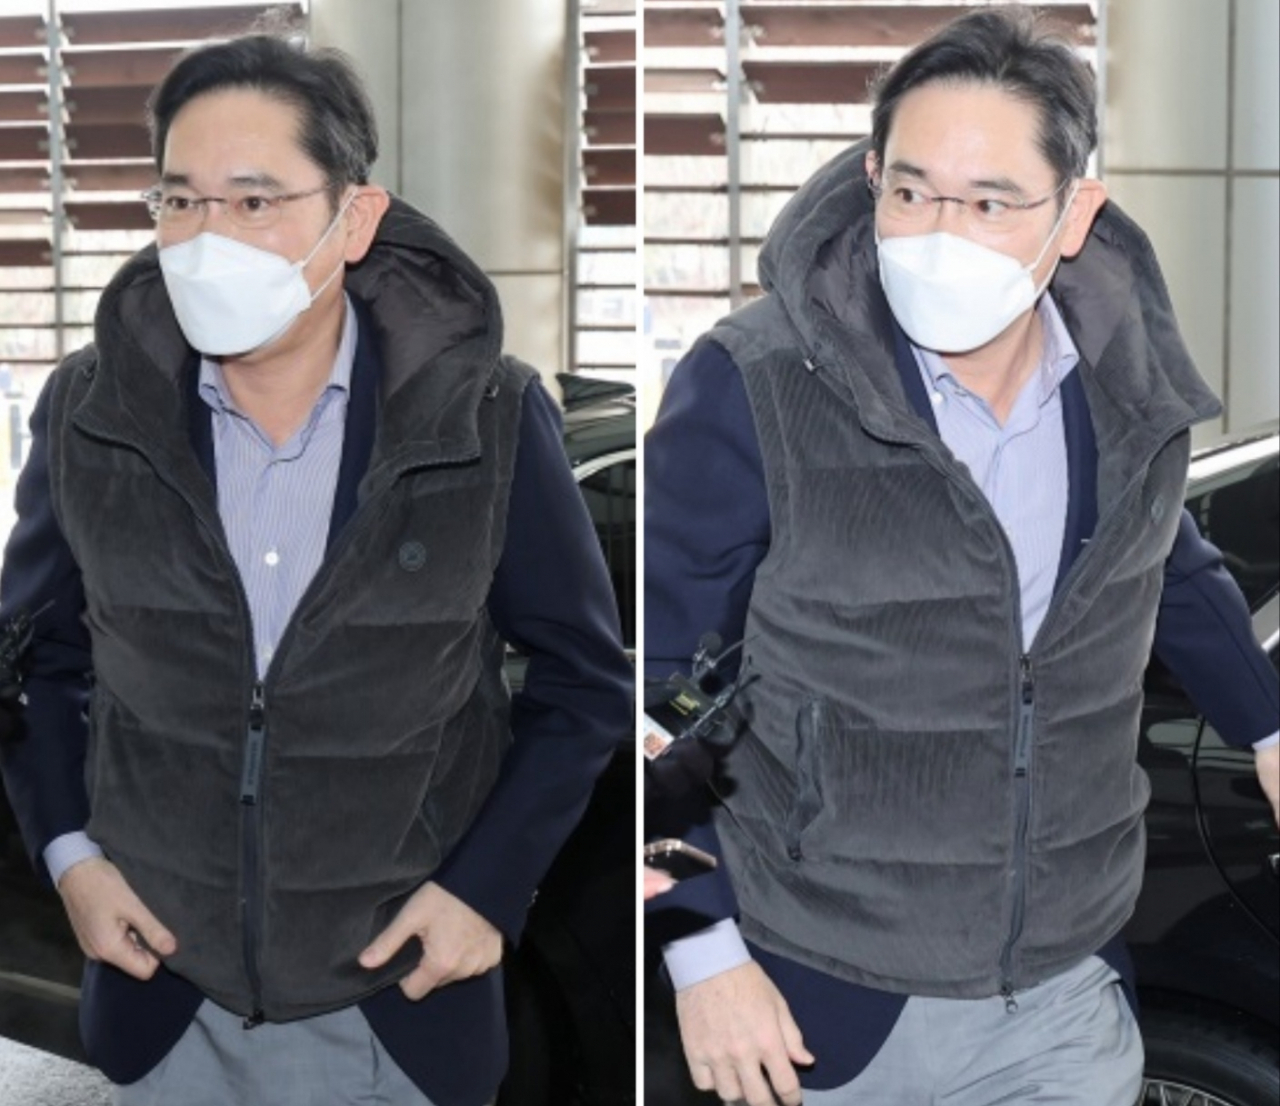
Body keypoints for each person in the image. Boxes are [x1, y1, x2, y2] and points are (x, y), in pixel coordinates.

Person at [645, 8, 1280, 1106]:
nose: (937, 232)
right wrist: (699, 952)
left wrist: (1268, 729)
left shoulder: (1124, 388)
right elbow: (653, 686)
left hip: (1063, 990)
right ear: (870, 180)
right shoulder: (756, 383)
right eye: (910, 191)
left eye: (988, 202)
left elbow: (1164, 564)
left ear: (1073, 213)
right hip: (820, 999)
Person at [0, 26, 632, 1106]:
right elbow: (33, 663)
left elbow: (583, 684)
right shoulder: (89, 415)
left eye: (254, 201)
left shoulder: (485, 415)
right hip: (164, 995)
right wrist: (72, 858)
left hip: (398, 1004)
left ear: (355, 217)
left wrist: (487, 891)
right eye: (180, 200)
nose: (209, 237)